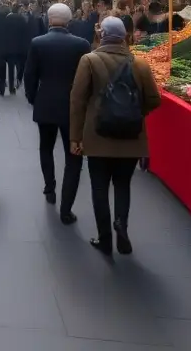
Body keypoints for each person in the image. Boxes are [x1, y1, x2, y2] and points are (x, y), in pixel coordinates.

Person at [70, 16, 161, 254]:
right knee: (123, 184)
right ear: (125, 37)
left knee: (99, 187)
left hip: (97, 136)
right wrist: (135, 113)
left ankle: (104, 237)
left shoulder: (89, 61)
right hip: (131, 137)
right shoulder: (139, 64)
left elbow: (77, 101)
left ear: (102, 35)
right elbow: (154, 99)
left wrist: (75, 137)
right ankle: (121, 223)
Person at [23, 3, 91, 223]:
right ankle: (66, 208)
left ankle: (49, 186)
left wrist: (34, 98)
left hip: (46, 103)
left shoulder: (38, 43)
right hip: (73, 106)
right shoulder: (81, 44)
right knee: (73, 157)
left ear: (49, 19)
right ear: (69, 20)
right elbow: (87, 79)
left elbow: (30, 75)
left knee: (46, 146)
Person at [0, 3, 30, 95]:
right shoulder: (22, 19)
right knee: (17, 67)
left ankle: (7, 87)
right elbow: (25, 33)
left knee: (8, 67)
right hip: (18, 47)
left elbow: (3, 33)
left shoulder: (7, 19)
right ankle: (15, 84)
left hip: (8, 46)